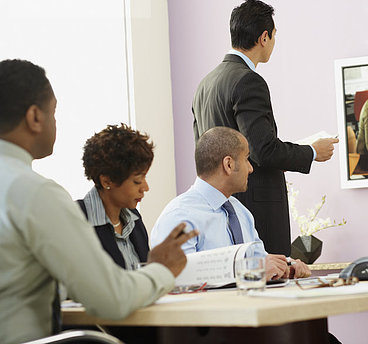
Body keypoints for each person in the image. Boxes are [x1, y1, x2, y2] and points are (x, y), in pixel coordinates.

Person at [0, 59, 198, 344]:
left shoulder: (133, 220)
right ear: (34, 117)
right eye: (53, 112)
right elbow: (111, 299)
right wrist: (162, 270)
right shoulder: (35, 194)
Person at [192, 0, 338, 256]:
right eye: (274, 36)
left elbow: (203, 152)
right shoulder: (249, 81)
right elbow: (263, 151)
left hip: (217, 208)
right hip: (255, 209)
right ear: (264, 37)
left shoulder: (205, 84)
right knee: (270, 283)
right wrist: (312, 152)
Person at [151, 126, 311, 280]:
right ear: (228, 164)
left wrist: (285, 268)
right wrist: (251, 271)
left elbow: (259, 261)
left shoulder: (241, 211)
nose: (251, 168)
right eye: (247, 159)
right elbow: (179, 277)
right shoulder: (180, 216)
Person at [78, 124, 154, 270]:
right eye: (137, 180)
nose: (145, 188)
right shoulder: (77, 221)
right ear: (107, 181)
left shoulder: (134, 218)